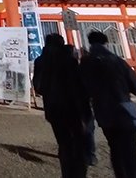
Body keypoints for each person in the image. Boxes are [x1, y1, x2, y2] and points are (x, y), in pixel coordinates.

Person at [80, 31, 136, 178]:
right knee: (130, 151)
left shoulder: (86, 62)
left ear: (90, 43)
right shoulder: (117, 60)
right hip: (124, 109)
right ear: (106, 43)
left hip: (103, 112)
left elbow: (82, 89)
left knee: (115, 148)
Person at [32, 34, 91, 178]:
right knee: (78, 141)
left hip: (53, 108)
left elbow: (38, 86)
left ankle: (67, 172)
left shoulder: (41, 61)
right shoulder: (69, 60)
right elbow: (80, 84)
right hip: (73, 107)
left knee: (64, 142)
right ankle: (79, 173)